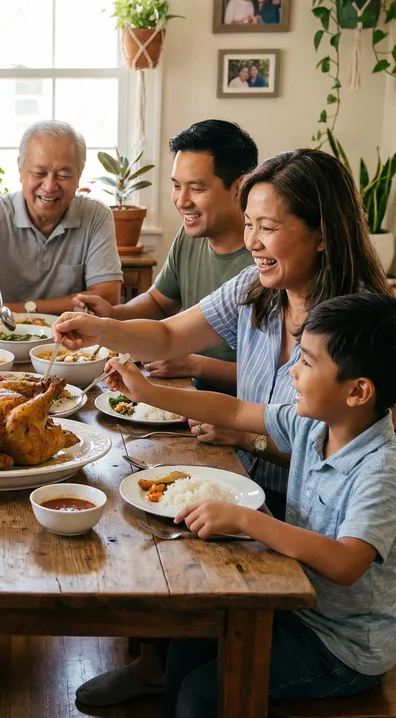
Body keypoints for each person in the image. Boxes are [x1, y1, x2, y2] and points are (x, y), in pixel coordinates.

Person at [102, 292, 396, 718]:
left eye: (308, 363)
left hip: (342, 648)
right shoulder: (317, 425)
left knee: (205, 692)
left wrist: (247, 520)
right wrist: (147, 391)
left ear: (357, 391)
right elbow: (237, 410)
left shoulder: (380, 469)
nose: (292, 371)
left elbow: (347, 562)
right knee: (189, 639)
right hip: (296, 608)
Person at [56, 149, 388, 518]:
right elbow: (168, 336)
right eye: (249, 224)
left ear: (322, 235)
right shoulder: (256, 286)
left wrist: (250, 440)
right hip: (239, 486)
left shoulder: (361, 323)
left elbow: (348, 458)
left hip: (303, 518)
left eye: (268, 227)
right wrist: (100, 330)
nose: (252, 242)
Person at [73, 120, 257, 393]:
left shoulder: (264, 262)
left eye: (196, 188)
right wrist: (114, 314)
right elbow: (159, 303)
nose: (181, 201)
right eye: (176, 186)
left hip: (241, 411)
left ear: (240, 188)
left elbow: (282, 377)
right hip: (186, 395)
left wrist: (196, 365)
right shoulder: (190, 236)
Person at [0, 120, 123, 320]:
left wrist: (21, 309)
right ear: (20, 168)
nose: (50, 186)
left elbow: (108, 295)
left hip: (68, 344)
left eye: (63, 175)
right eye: (39, 173)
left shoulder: (96, 215)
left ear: (79, 175)